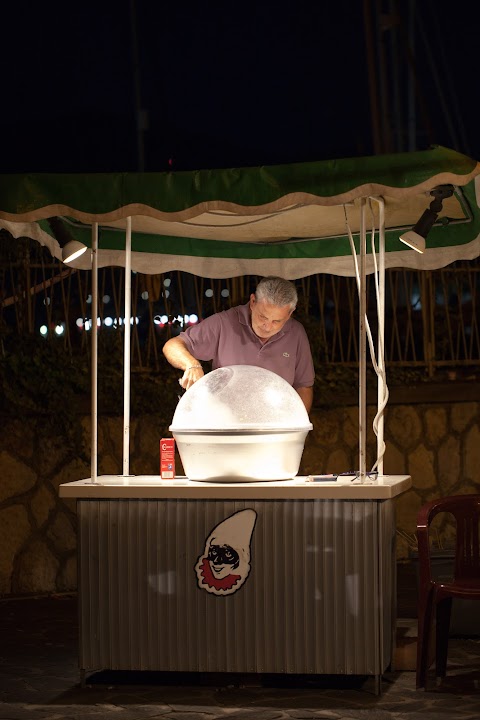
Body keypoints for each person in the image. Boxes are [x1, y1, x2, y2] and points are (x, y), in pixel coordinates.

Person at [162, 276, 315, 413]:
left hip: (275, 420)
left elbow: (304, 386)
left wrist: (297, 429)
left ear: (290, 313)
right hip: (227, 417)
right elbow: (173, 345)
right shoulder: (225, 322)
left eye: (277, 321)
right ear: (253, 302)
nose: (267, 326)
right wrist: (191, 365)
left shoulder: (296, 333)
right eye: (262, 316)